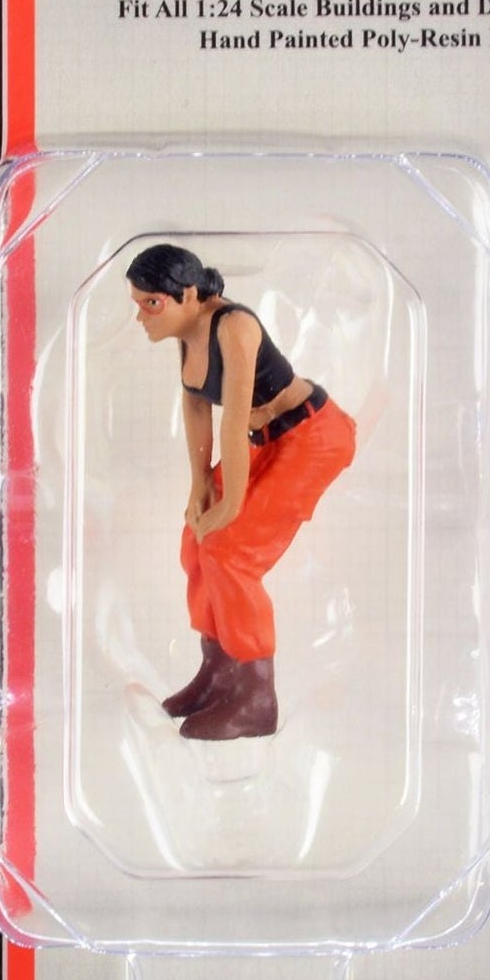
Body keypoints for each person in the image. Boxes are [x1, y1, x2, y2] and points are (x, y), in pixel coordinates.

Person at [127, 244, 357, 740]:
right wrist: (199, 486)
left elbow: (231, 421)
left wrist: (230, 505)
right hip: (264, 440)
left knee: (230, 550)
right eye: (138, 303)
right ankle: (220, 670)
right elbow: (195, 408)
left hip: (313, 437)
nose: (141, 316)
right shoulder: (186, 333)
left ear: (188, 294)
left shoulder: (234, 327)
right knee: (196, 542)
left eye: (151, 304)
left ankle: (255, 696)